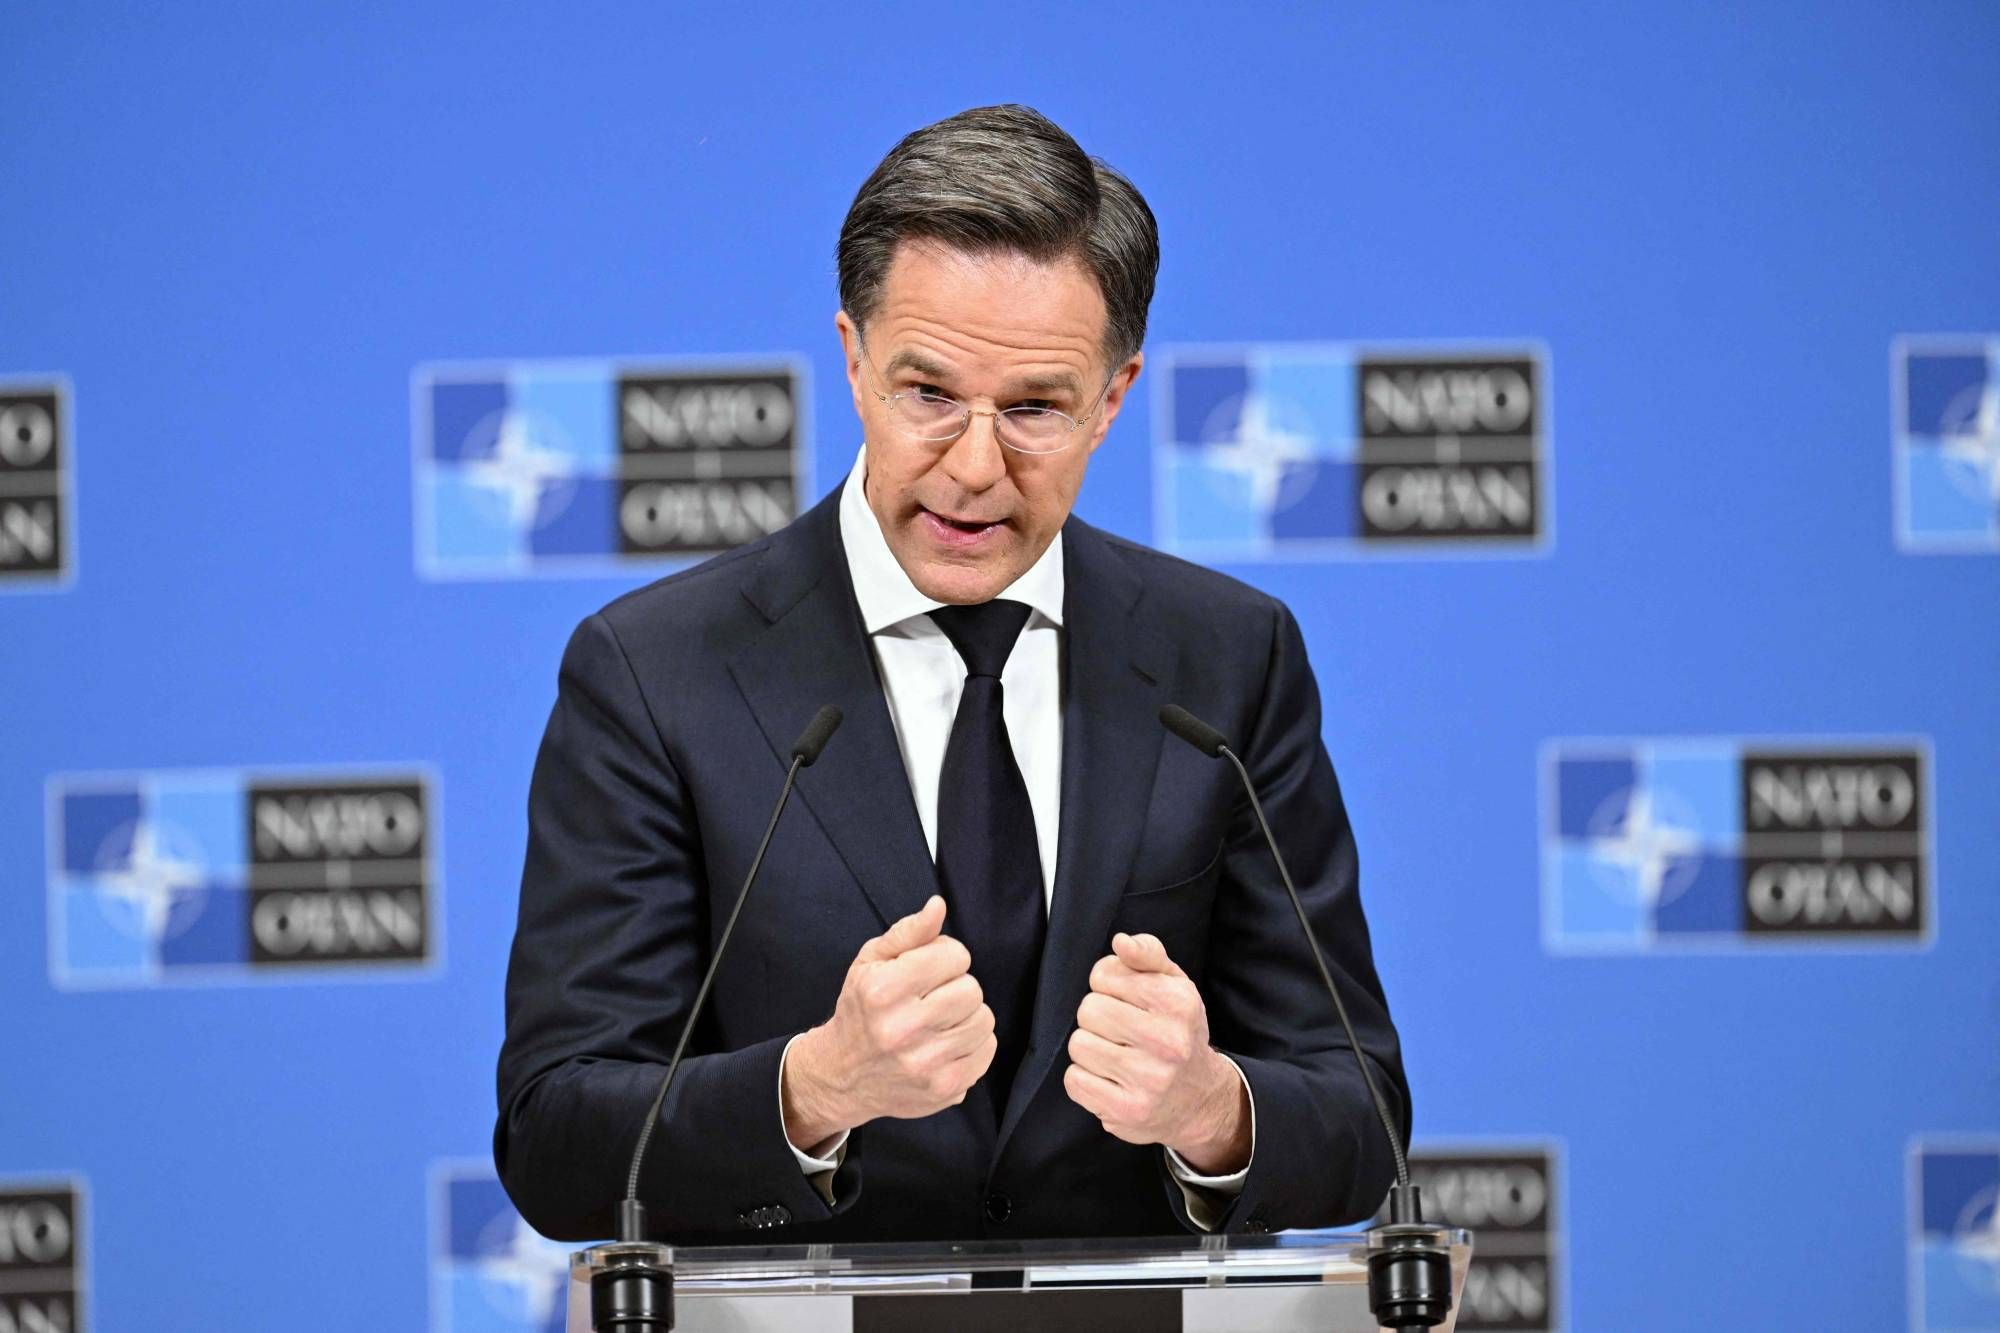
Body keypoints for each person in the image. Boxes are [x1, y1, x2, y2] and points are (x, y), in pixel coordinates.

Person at [495, 103, 1409, 1245]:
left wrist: (1212, 1109)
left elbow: (1360, 1113)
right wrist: (813, 1088)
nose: (975, 468)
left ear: (1113, 398)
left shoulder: (1227, 658)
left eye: (1033, 408)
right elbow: (557, 1142)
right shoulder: (655, 672)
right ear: (853, 360)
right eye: (928, 394)